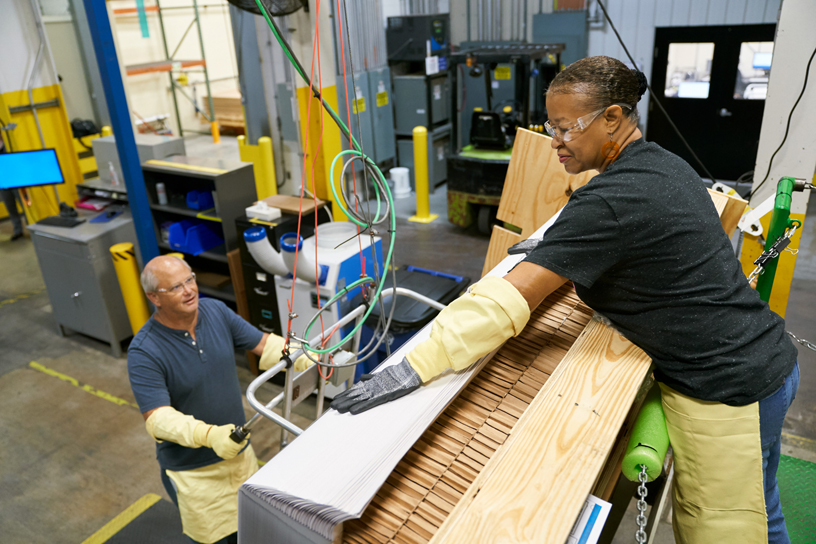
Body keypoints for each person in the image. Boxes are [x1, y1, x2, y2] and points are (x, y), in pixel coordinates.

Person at [331, 56, 799, 544]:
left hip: (728, 388)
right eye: (549, 126)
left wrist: (418, 364)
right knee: (764, 513)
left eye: (566, 128)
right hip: (764, 358)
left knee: (723, 530)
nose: (554, 141)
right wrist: (564, 242)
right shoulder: (664, 164)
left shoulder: (611, 200)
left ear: (613, 118)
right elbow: (650, 239)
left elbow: (510, 297)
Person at [128, 255, 310, 544]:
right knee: (213, 540)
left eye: (190, 280)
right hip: (194, 473)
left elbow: (263, 344)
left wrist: (309, 355)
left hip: (239, 456)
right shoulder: (145, 351)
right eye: (176, 287)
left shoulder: (215, 311)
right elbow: (158, 419)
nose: (189, 290)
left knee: (251, 532)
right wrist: (210, 435)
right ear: (154, 298)